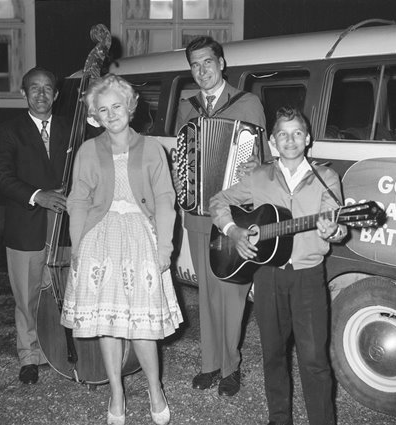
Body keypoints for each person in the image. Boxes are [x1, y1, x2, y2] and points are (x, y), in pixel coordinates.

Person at [209, 107, 347, 425]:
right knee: (273, 354)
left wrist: (335, 230)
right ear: (272, 142)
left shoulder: (326, 178)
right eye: (282, 134)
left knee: (314, 360)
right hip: (268, 276)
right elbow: (218, 201)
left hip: (308, 277)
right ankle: (279, 418)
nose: (290, 140)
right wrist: (233, 230)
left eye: (297, 133)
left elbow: (338, 227)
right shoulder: (258, 177)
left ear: (308, 139)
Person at [60, 74, 183, 425]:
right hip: (100, 240)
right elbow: (78, 199)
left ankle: (154, 389)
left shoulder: (152, 148)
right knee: (108, 323)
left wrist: (165, 248)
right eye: (103, 109)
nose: (112, 113)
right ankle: (116, 392)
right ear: (95, 116)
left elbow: (164, 199)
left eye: (117, 106)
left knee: (143, 325)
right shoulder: (87, 150)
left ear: (130, 106)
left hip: (141, 239)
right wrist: (78, 244)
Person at [174, 35, 271, 397]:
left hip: (236, 215)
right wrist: (182, 175)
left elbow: (263, 165)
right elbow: (182, 158)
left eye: (208, 62)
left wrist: (255, 164)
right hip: (198, 215)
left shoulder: (248, 104)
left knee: (232, 292)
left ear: (222, 63)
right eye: (195, 65)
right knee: (207, 294)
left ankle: (231, 367)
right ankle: (209, 364)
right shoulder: (188, 107)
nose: (202, 71)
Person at [0, 67, 70, 385]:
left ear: (56, 94)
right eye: (34, 88)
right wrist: (37, 195)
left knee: (61, 294)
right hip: (25, 227)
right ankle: (29, 356)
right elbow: (2, 177)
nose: (41, 94)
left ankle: (58, 350)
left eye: (47, 88)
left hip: (65, 228)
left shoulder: (72, 128)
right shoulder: (9, 130)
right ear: (24, 94)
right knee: (27, 297)